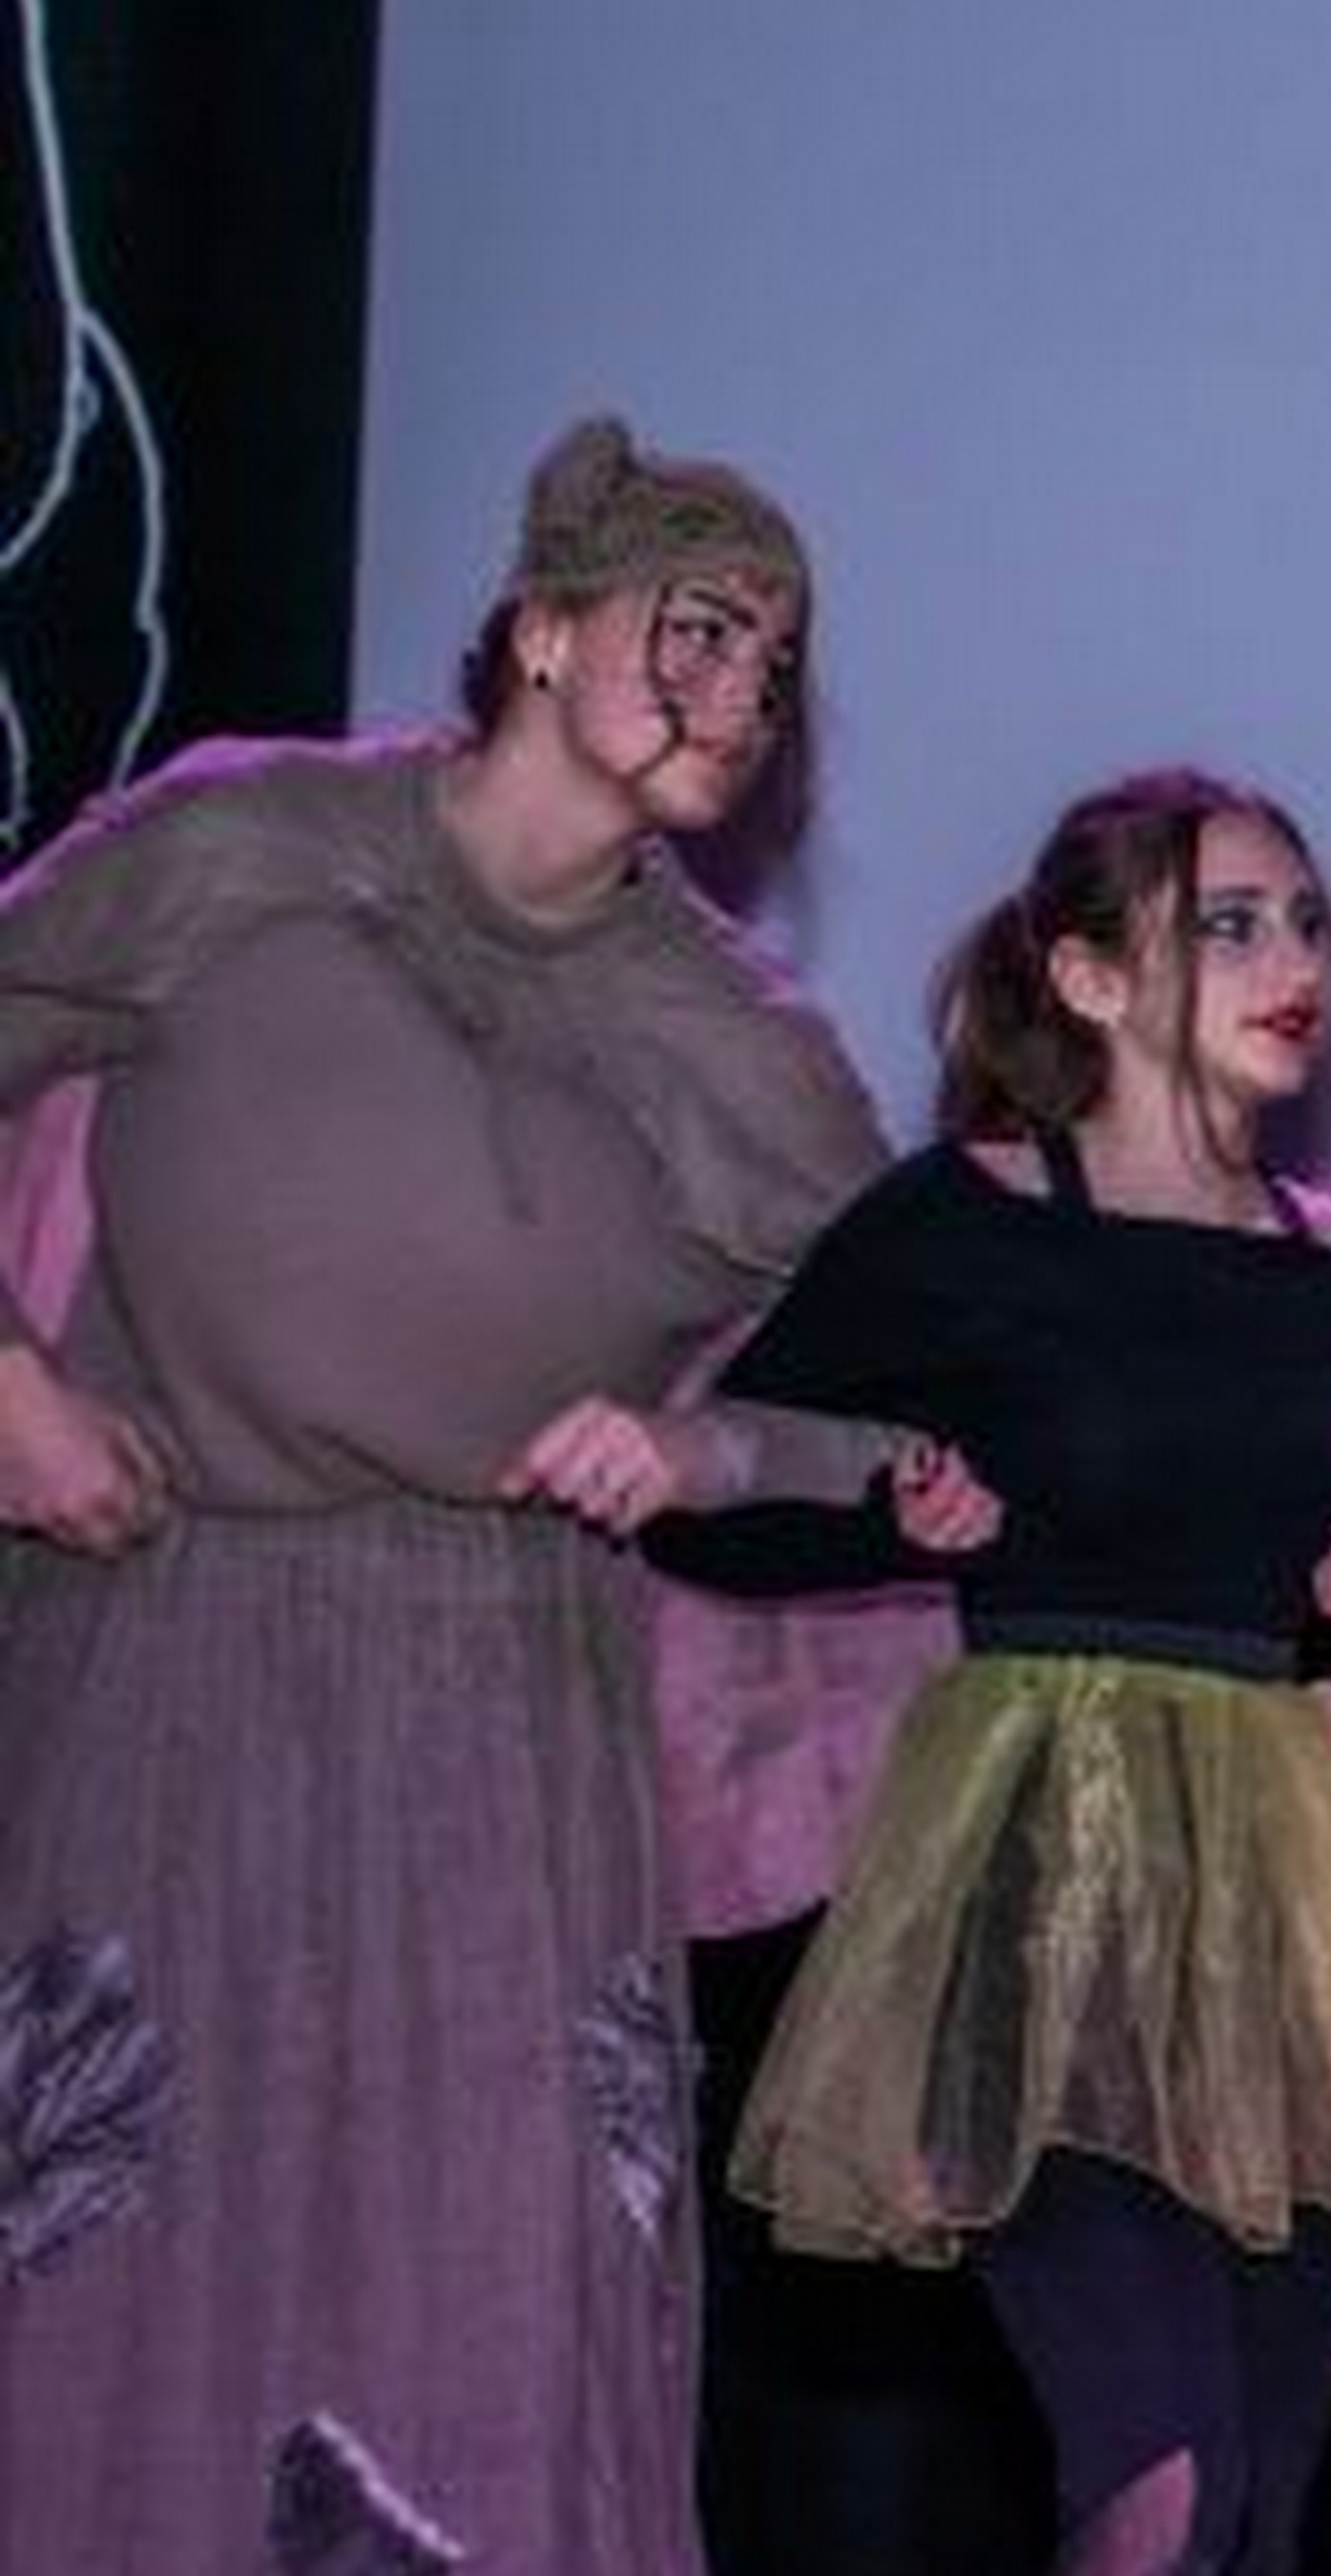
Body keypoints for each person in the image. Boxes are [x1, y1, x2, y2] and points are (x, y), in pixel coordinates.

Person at [654, 766, 1331, 2576]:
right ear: (1086, 977)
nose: (1294, 963)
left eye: (1305, 923)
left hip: (1281, 1902)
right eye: (1229, 926)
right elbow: (716, 1506)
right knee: (1159, 2473)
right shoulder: (964, 1220)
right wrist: (892, 1525)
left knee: (1249, 2508)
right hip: (1041, 1882)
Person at [0, 417, 895, 2574]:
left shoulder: (739, 1047)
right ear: (544, 629)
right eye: (700, 630)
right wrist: (7, 1388)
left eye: (775, 665)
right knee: (115, 2270)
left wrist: (706, 1450)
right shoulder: (245, 844)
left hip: (503, 1709)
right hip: (169, 1649)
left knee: (497, 2283)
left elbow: (919, 1411)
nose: (740, 693)